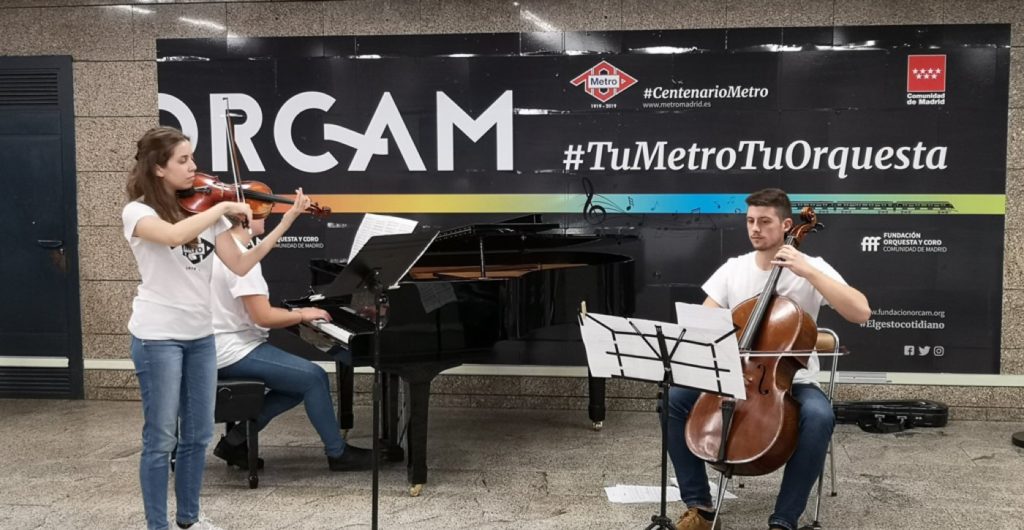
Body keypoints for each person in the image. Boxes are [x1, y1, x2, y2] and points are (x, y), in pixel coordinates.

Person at [123, 126, 311, 530]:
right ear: (158, 169)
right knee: (160, 440)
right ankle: (158, 525)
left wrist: (286, 220)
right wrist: (222, 209)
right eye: (183, 160)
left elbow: (242, 263)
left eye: (193, 158)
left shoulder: (199, 212)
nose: (195, 168)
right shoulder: (139, 213)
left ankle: (189, 519)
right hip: (157, 337)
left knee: (197, 436)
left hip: (200, 337)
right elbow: (173, 235)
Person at [666, 188, 871, 530]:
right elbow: (703, 325)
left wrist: (808, 272)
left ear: (787, 225)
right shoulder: (734, 269)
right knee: (674, 399)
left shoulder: (813, 268)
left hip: (794, 381)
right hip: (736, 373)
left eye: (764, 221)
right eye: (750, 221)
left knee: (820, 417)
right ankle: (698, 505)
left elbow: (861, 311)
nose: (755, 229)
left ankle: (784, 519)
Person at [209, 216, 374, 472]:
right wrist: (302, 314)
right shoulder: (243, 259)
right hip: (233, 349)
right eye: (263, 211)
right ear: (246, 216)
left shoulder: (222, 250)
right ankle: (338, 453)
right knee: (315, 378)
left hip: (220, 345)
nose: (267, 215)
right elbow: (262, 316)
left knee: (297, 386)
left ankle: (235, 441)